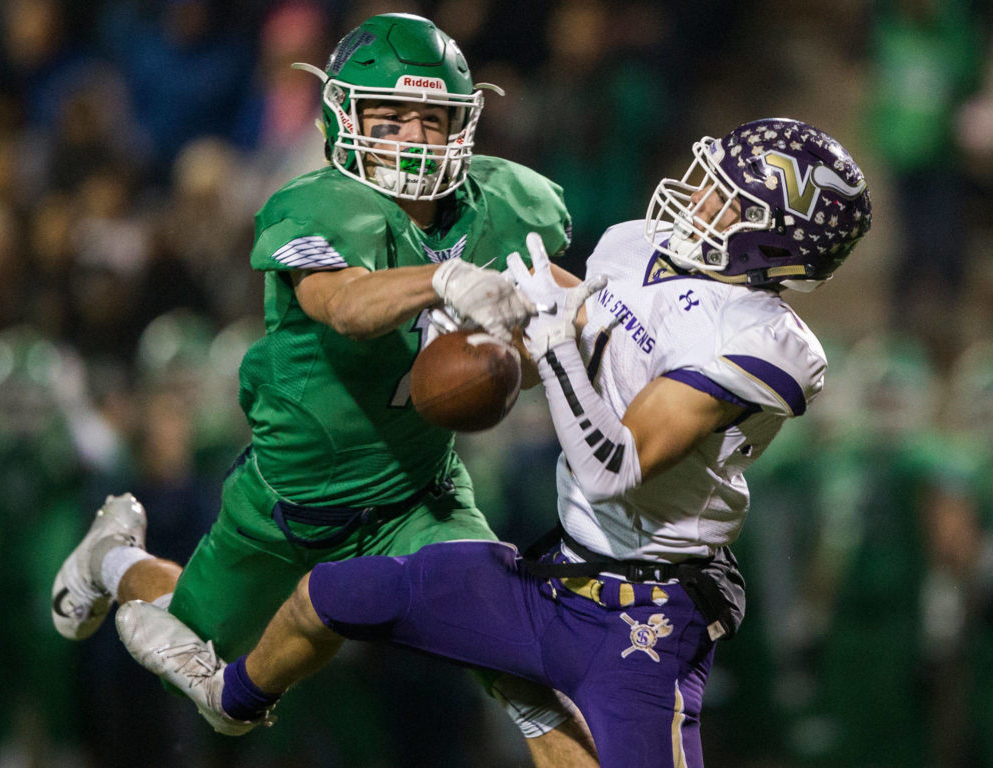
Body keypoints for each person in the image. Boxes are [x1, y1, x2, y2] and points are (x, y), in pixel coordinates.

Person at [114, 117, 874, 767]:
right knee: (330, 595)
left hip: (648, 612)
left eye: (725, 197)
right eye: (706, 178)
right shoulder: (638, 246)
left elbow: (617, 464)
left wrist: (549, 343)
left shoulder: (767, 346)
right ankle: (231, 697)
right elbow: (590, 331)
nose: (695, 195)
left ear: (777, 242)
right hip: (556, 577)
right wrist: (500, 319)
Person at [51, 12, 599, 767]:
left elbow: (579, 310)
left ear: (463, 124)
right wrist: (441, 278)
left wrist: (596, 321)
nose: (411, 137)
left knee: (526, 674)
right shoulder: (316, 203)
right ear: (344, 116)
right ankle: (112, 559)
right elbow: (343, 305)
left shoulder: (501, 204)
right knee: (202, 649)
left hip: (421, 499)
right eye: (391, 116)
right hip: (287, 503)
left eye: (430, 119)